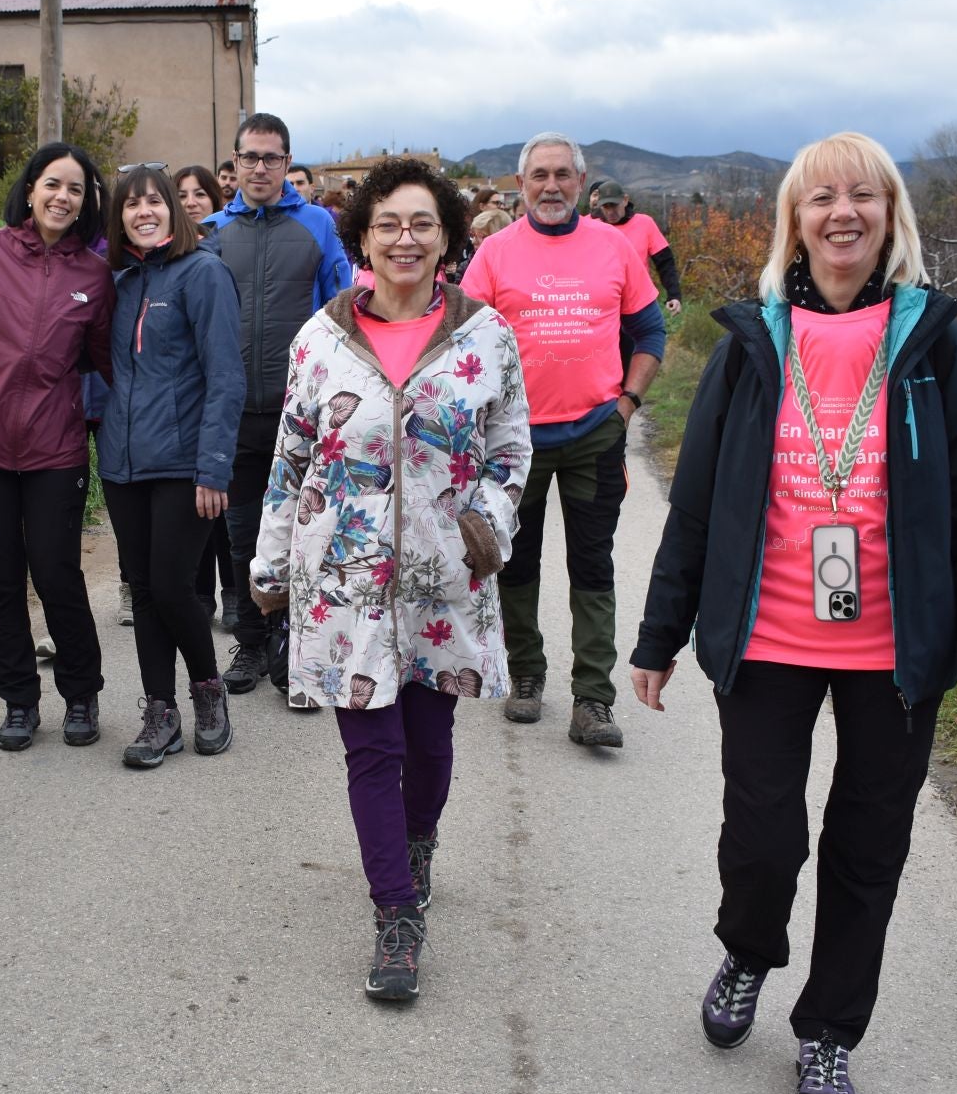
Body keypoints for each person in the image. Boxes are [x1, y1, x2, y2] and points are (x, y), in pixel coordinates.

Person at [629, 131, 957, 1094]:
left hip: (897, 650)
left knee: (867, 847)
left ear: (891, 217)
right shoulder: (752, 345)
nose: (842, 213)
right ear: (794, 224)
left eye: (863, 196)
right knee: (763, 839)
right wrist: (660, 633)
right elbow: (698, 505)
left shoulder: (940, 347)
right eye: (820, 199)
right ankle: (748, 950)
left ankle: (831, 1028)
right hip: (767, 638)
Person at [252, 156, 530, 1001]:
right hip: (345, 579)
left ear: (446, 239)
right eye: (388, 225)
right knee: (371, 749)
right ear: (363, 238)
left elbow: (511, 449)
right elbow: (291, 459)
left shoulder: (485, 336)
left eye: (421, 224)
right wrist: (270, 562)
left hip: (445, 580)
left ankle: (418, 844)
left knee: (429, 743)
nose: (404, 239)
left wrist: (485, 526)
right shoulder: (320, 339)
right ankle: (396, 914)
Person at [460, 131, 666, 747]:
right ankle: (525, 673)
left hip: (594, 436)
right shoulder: (494, 254)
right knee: (516, 562)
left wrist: (627, 404)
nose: (551, 186)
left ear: (581, 181)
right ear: (522, 185)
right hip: (513, 443)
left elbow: (650, 332)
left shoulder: (613, 246)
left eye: (562, 175)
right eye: (539, 176)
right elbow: (463, 344)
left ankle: (593, 699)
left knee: (592, 564)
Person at [0, 142, 115, 750]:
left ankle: (82, 693)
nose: (63, 197)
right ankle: (18, 700)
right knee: (1, 579)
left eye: (76, 189)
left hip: (56, 450)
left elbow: (106, 362)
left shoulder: (93, 275)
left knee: (57, 573)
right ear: (32, 189)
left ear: (87, 203)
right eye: (53, 184)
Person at [202, 111, 353, 709]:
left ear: (287, 163)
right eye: (250, 157)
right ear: (235, 162)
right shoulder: (213, 232)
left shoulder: (318, 225)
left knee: (305, 535)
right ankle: (251, 642)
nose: (260, 167)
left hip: (303, 415)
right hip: (236, 412)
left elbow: (344, 309)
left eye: (271, 158)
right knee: (242, 536)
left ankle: (297, 646)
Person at [98, 163, 246, 766]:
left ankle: (208, 691)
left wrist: (214, 467)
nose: (143, 211)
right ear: (119, 217)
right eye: (131, 204)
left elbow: (225, 376)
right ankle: (160, 711)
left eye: (154, 201)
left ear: (173, 210)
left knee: (171, 586)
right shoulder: (119, 280)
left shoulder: (203, 273)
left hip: (184, 463)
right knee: (143, 589)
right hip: (123, 462)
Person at [172, 163, 239, 629]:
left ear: (216, 200)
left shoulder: (224, 250)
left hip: (222, 390)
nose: (191, 201)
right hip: (183, 399)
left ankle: (233, 591)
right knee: (194, 508)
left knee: (223, 508)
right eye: (181, 194)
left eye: (200, 193)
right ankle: (200, 594)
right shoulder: (163, 254)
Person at [592, 178, 684, 316]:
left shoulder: (644, 223)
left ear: (625, 200)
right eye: (606, 207)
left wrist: (674, 295)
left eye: (614, 205)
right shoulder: (591, 226)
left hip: (640, 306)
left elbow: (665, 263)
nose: (610, 212)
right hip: (603, 307)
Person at [175, 163, 224, 229]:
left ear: (214, 200)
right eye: (182, 196)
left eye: (200, 194)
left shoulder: (233, 233)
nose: (191, 203)